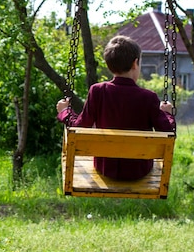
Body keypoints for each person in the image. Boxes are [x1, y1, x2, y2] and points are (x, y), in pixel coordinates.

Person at [56, 35, 176, 181]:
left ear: (109, 64)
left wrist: (64, 112)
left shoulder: (97, 91)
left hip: (106, 168)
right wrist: (167, 114)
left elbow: (79, 125)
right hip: (138, 171)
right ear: (135, 64)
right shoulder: (148, 97)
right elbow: (168, 132)